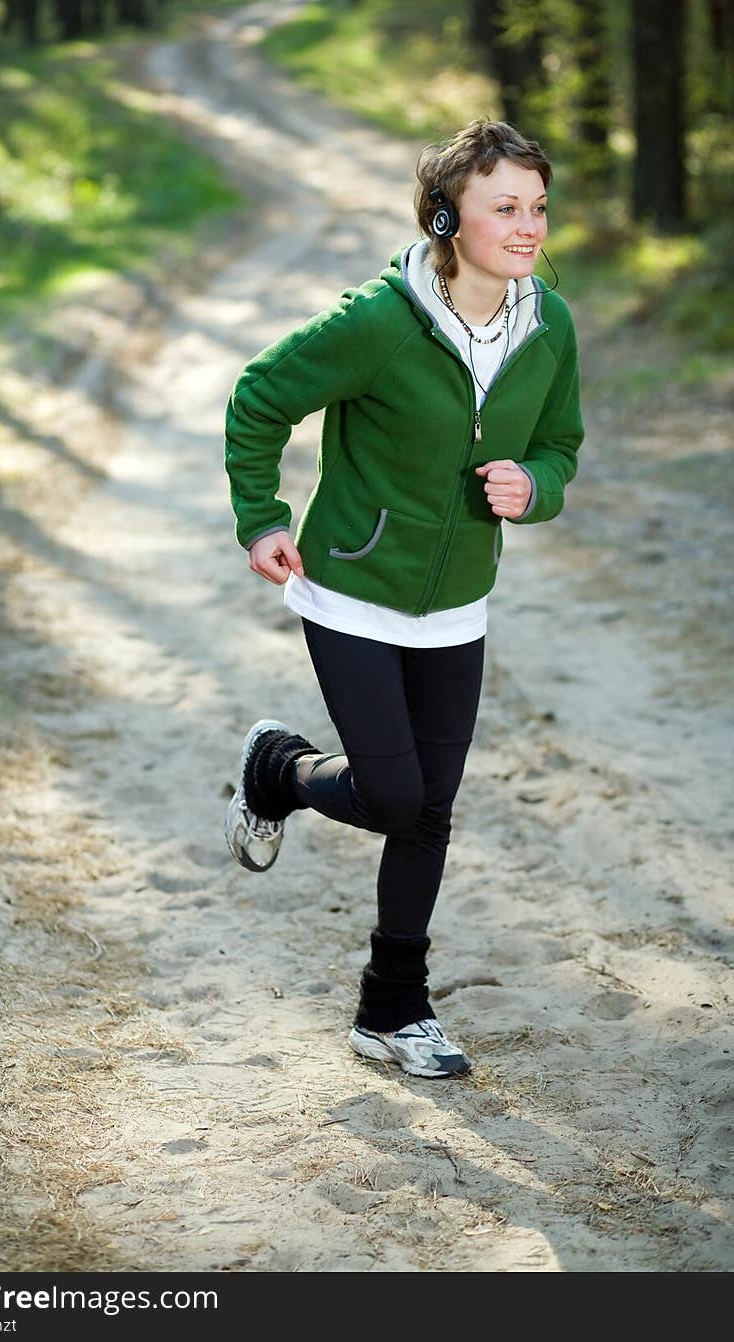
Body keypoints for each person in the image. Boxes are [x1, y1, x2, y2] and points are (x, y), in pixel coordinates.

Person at [223, 119, 584, 1078]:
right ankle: (281, 770)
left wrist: (535, 487)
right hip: (351, 588)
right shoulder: (379, 322)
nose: (529, 226)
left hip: (458, 601)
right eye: (504, 206)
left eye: (538, 206)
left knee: (431, 810)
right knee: (392, 795)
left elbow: (561, 443)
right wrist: (261, 517)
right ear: (445, 216)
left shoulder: (547, 323)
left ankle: (392, 1010)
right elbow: (260, 396)